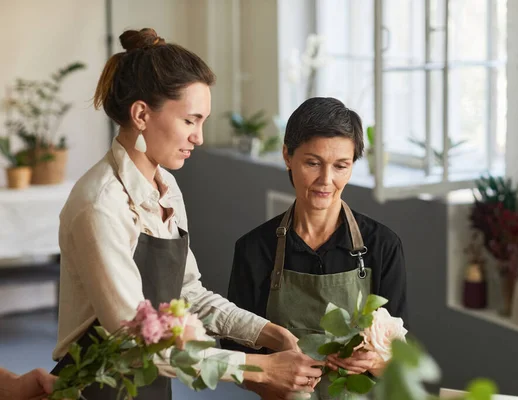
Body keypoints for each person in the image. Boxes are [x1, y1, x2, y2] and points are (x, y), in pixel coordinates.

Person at [51, 28, 322, 400]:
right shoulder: (101, 205)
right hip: (93, 390)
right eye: (190, 120)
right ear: (142, 114)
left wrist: (268, 332)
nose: (200, 137)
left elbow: (187, 293)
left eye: (202, 122)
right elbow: (134, 339)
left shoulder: (166, 189)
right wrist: (259, 368)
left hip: (149, 385)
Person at [222, 97, 408, 399]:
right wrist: (275, 377)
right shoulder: (255, 249)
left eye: (341, 166)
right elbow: (236, 355)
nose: (326, 180)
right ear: (287, 156)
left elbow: (401, 357)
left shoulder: (382, 245)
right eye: (313, 163)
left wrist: (374, 361)